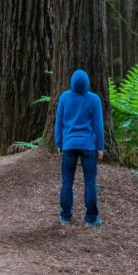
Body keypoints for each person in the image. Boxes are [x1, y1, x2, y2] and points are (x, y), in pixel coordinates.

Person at [54, 69, 104, 228]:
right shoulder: (94, 99)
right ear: (87, 83)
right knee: (90, 182)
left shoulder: (64, 98)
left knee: (67, 182)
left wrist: (59, 143)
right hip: (88, 146)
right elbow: (98, 126)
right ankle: (90, 219)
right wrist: (100, 147)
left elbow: (59, 122)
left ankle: (65, 217)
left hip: (69, 145)